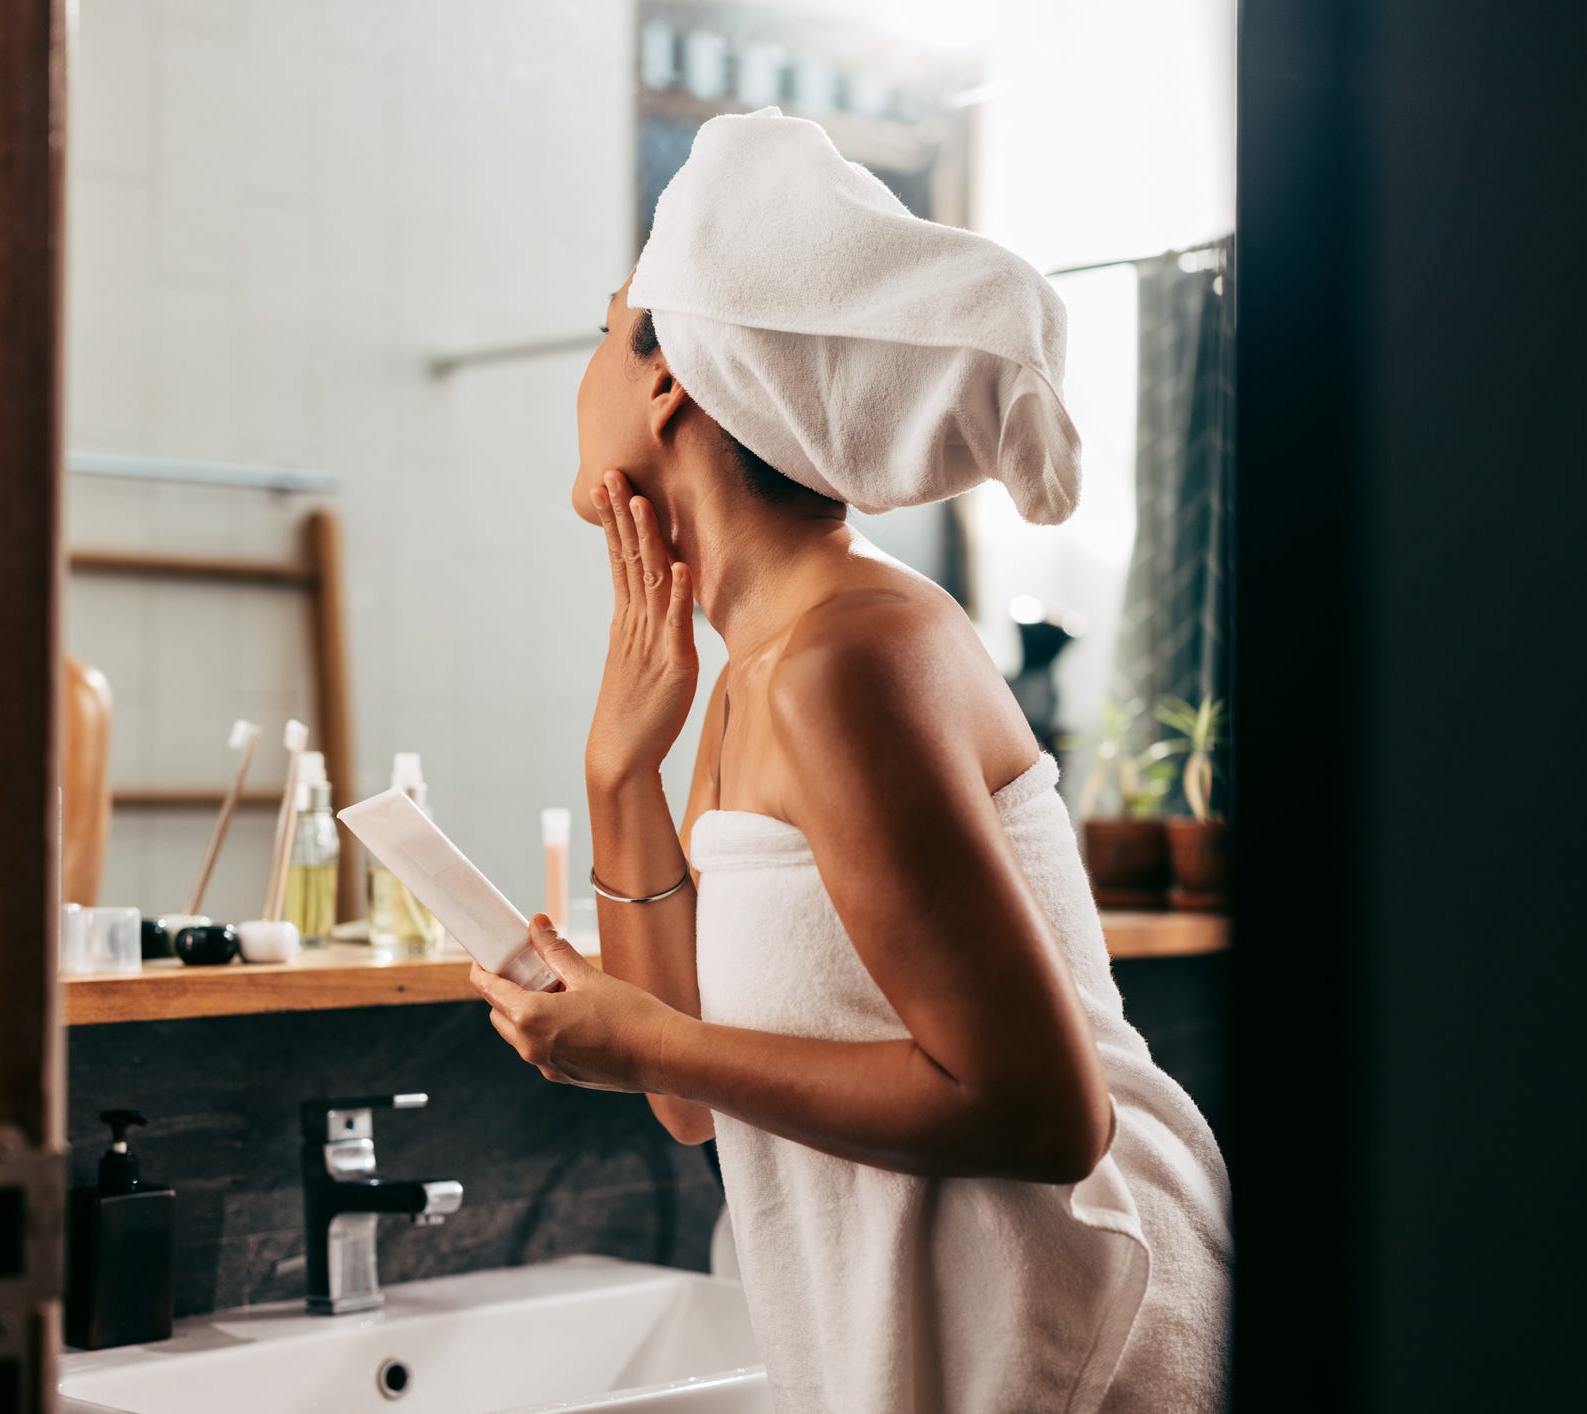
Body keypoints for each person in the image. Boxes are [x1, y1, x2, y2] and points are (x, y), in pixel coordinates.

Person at [469, 108, 1230, 1411]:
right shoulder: (757, 666)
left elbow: (1046, 1112)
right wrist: (619, 778)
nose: (587, 366)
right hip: (947, 1342)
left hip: (1081, 1341)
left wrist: (650, 1034)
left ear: (669, 380)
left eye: (608, 329)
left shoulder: (849, 654)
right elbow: (689, 1101)